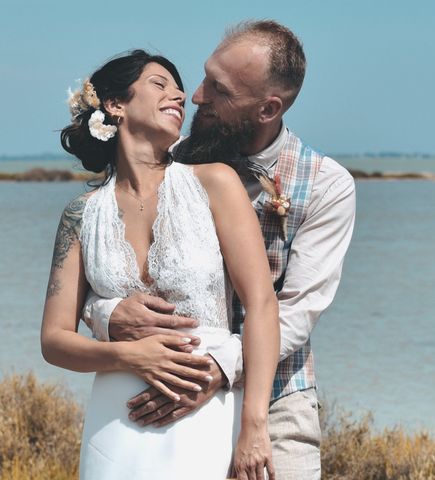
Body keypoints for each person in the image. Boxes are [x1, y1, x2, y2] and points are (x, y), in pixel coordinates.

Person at [84, 20, 356, 480]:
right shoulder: (171, 158)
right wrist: (106, 313)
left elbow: (296, 309)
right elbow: (108, 258)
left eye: (219, 91)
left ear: (267, 108)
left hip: (275, 399)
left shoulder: (327, 185)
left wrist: (216, 368)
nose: (196, 97)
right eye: (206, 77)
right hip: (164, 386)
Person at [40, 49, 279, 480]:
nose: (180, 95)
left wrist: (254, 426)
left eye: (178, 87)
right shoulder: (80, 215)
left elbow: (262, 305)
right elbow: (54, 341)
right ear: (115, 106)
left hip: (204, 411)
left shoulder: (215, 182)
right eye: (159, 84)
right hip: (114, 425)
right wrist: (128, 356)